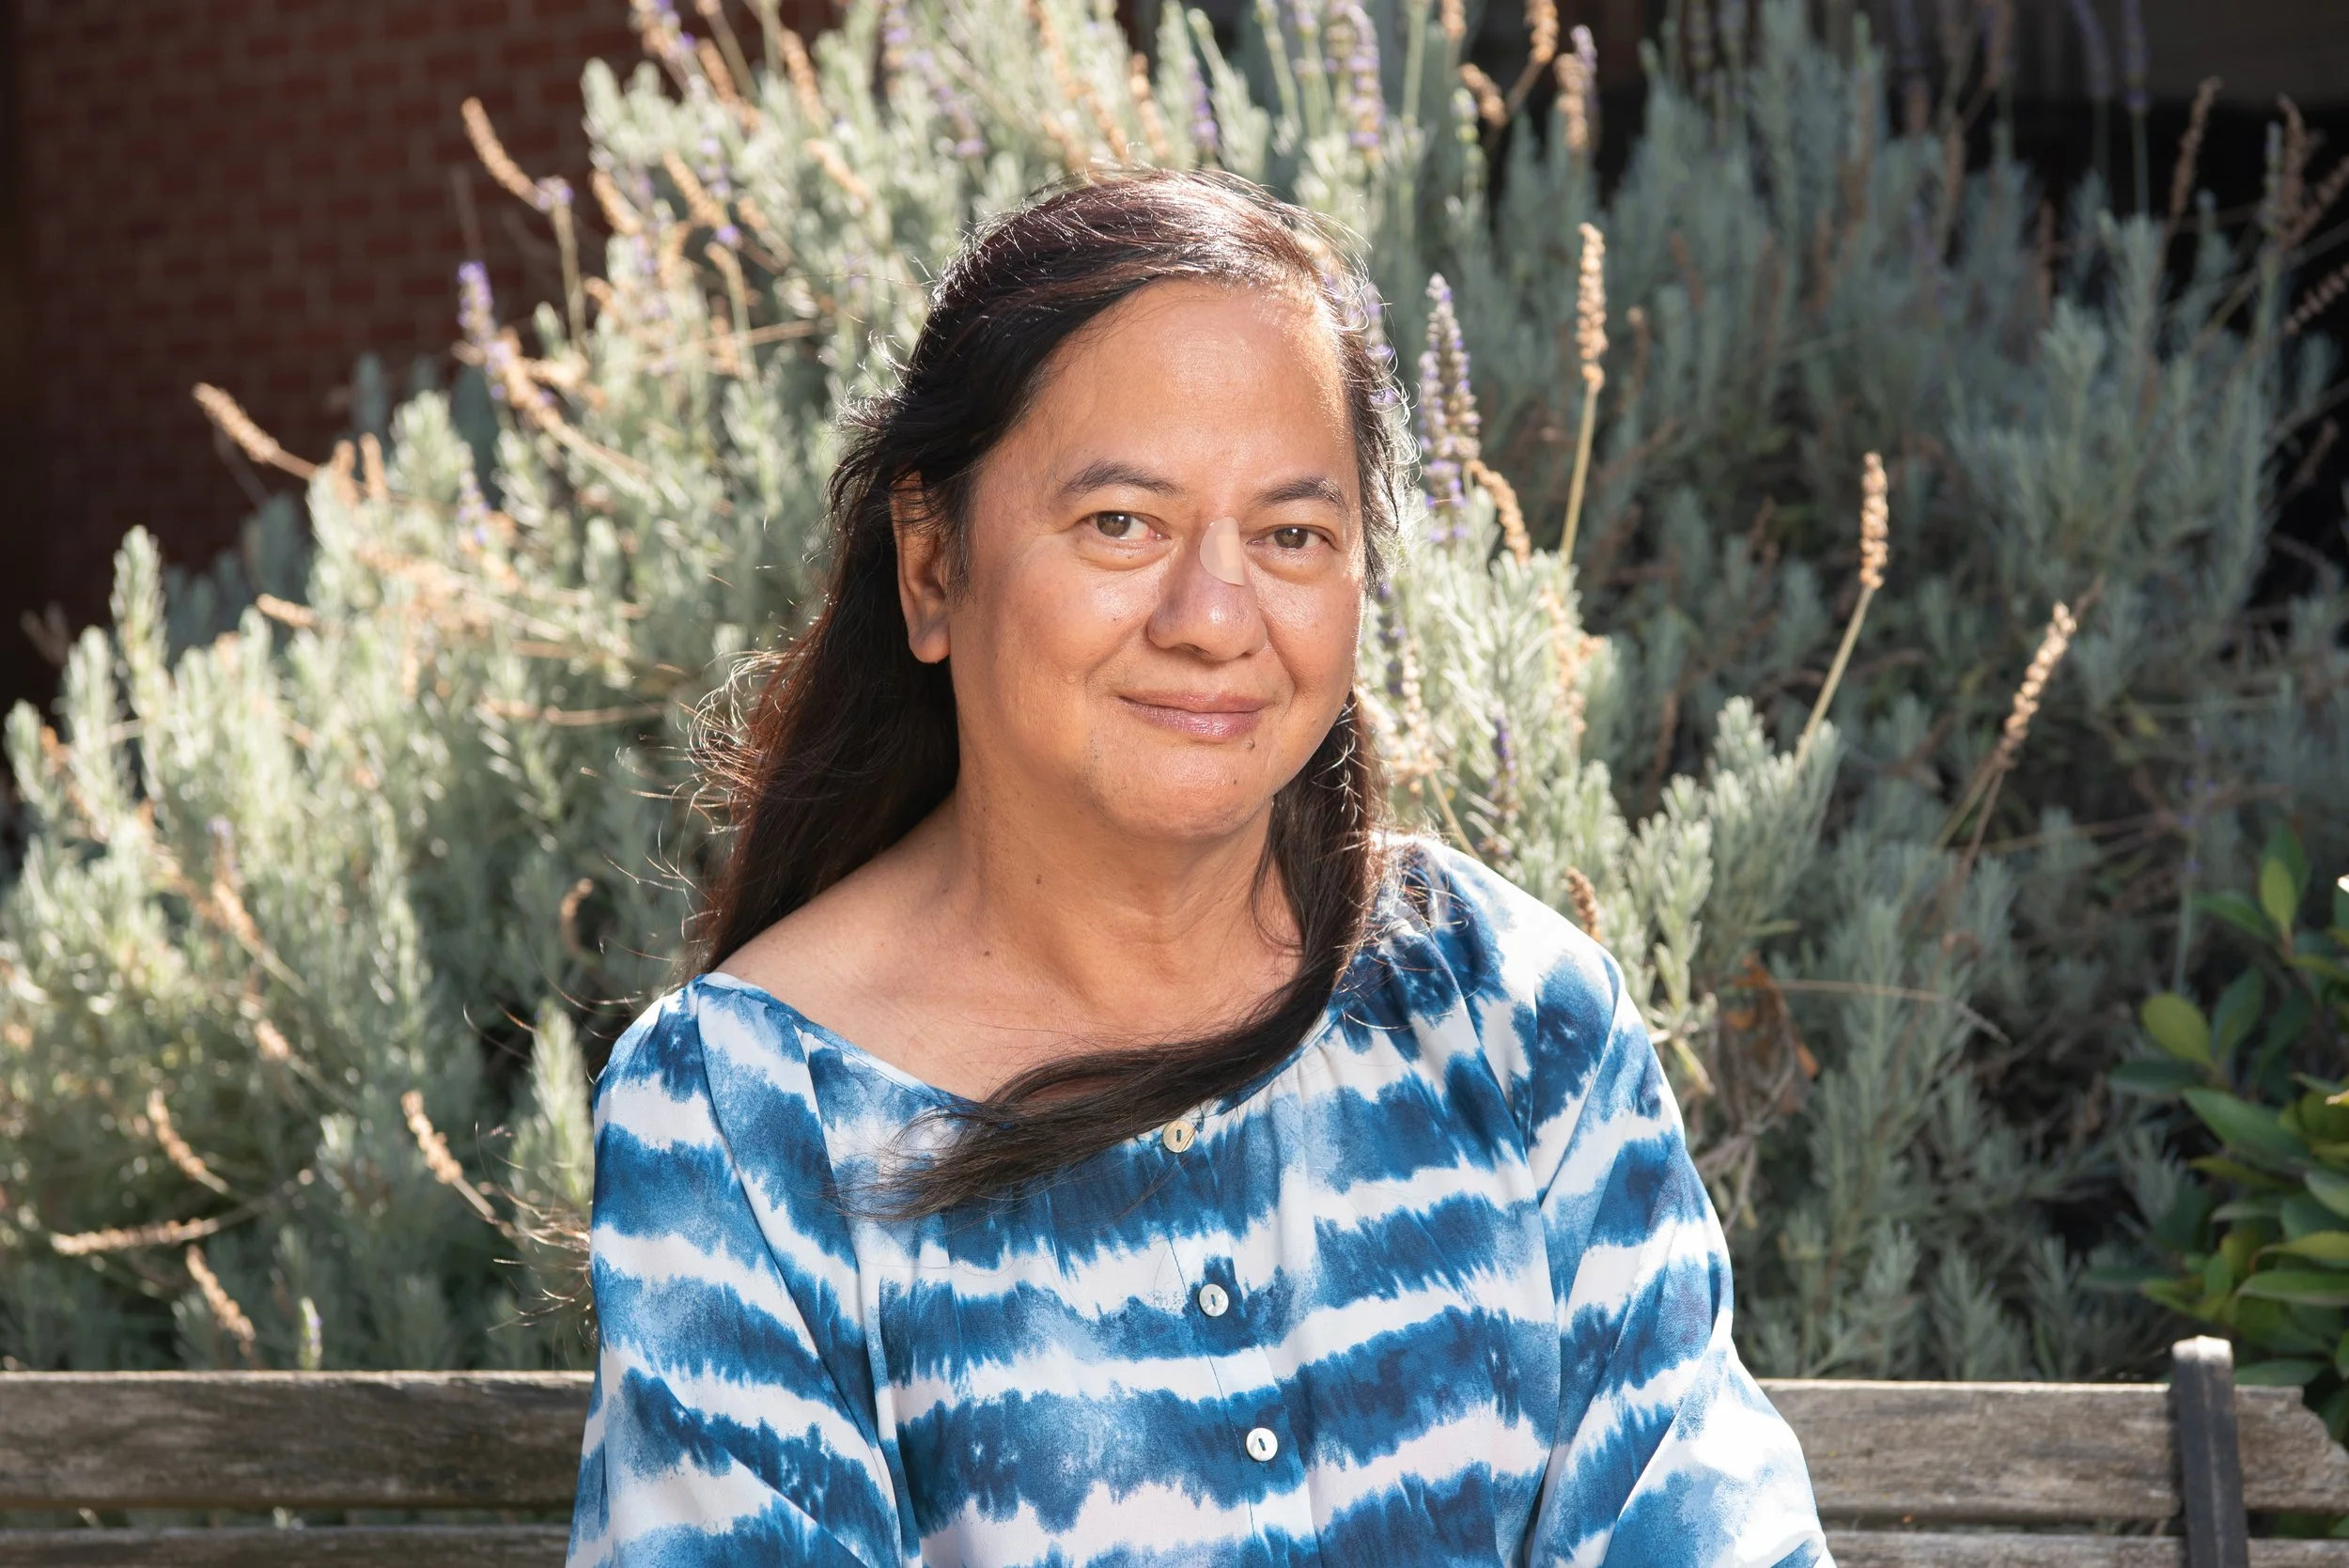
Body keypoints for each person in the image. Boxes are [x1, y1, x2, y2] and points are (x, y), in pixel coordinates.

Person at [565, 170, 1828, 1568]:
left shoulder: (1509, 1011)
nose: (1215, 617)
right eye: (1122, 522)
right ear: (931, 566)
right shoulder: (749, 1115)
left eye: (1293, 536)